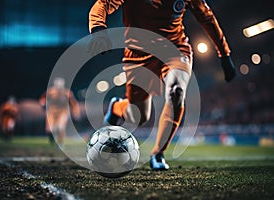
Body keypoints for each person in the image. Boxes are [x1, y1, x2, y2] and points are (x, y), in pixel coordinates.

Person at [88, 0, 236, 170]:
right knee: (138, 117)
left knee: (176, 91)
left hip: (175, 49)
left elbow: (207, 17)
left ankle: (158, 152)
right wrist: (98, 27)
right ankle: (117, 107)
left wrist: (224, 54)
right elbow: (103, 3)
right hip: (138, 56)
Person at [39, 77, 81, 146]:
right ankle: (52, 140)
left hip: (62, 112)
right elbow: (42, 99)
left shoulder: (67, 93)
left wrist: (76, 114)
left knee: (60, 127)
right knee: (49, 130)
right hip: (52, 113)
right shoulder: (50, 92)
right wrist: (43, 103)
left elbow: (74, 104)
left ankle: (60, 143)